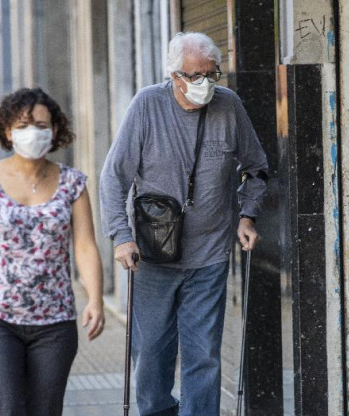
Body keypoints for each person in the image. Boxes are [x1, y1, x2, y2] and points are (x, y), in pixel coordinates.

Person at [99, 32, 269, 416]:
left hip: (208, 255)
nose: (205, 84)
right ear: (174, 75)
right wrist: (121, 237)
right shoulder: (146, 105)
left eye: (212, 74)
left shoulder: (229, 106)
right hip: (152, 256)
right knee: (152, 359)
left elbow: (256, 168)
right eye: (195, 76)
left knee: (203, 356)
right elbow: (114, 177)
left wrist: (247, 215)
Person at [0, 87, 105, 415]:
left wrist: (96, 299)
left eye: (42, 126)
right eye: (25, 125)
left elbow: (85, 246)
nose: (34, 133)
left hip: (55, 323)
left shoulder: (73, 183)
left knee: (46, 410)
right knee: (6, 408)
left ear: (55, 131)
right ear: (7, 130)